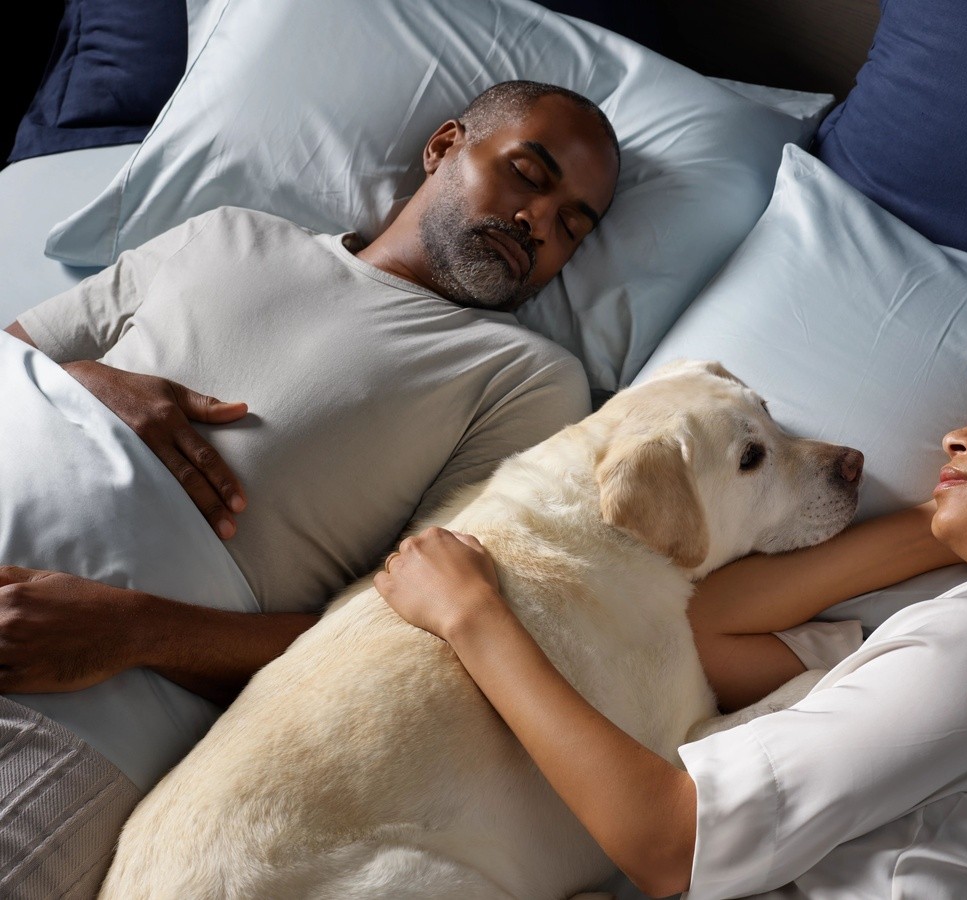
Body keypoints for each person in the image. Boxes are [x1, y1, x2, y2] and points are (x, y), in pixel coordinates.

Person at [0, 79, 620, 897]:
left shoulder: (524, 380)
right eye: (530, 176)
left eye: (571, 225)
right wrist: (89, 377)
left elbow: (404, 641)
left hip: (86, 702)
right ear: (443, 148)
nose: (539, 223)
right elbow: (15, 355)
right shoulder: (229, 234)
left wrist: (134, 632)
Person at [375, 297, 967, 898]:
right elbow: (708, 631)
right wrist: (947, 519)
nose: (958, 434)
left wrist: (472, 617)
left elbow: (671, 841)